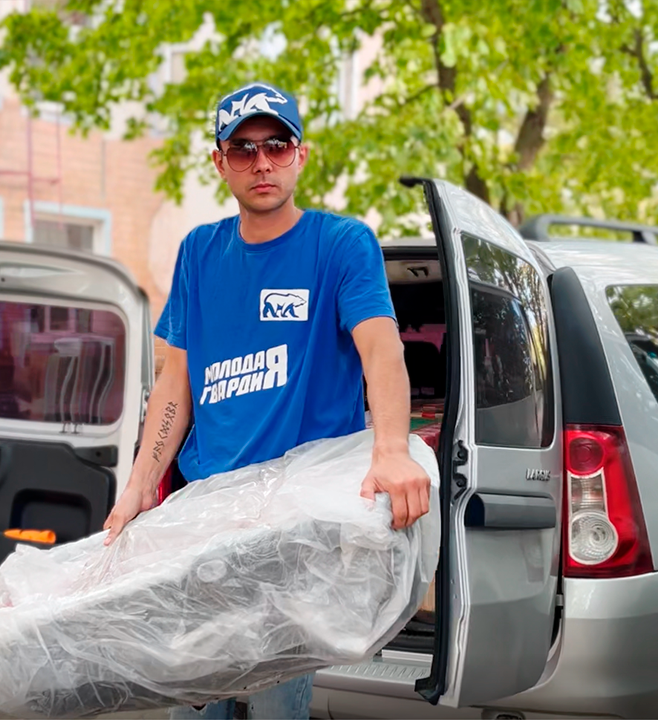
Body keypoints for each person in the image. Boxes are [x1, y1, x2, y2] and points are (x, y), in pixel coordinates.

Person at [103, 81, 432, 720]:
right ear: (219, 160)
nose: (262, 163)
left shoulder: (340, 244)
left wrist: (391, 449)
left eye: (276, 145)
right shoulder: (200, 251)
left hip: (296, 531)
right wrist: (142, 482)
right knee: (195, 704)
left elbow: (381, 349)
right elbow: (176, 379)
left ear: (300, 155)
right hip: (206, 521)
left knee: (277, 706)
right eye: (244, 148)